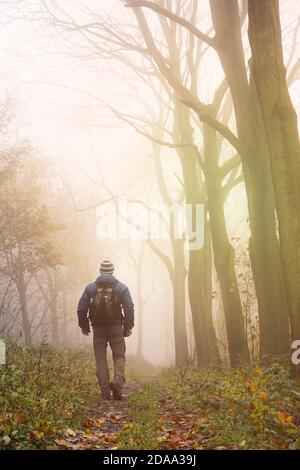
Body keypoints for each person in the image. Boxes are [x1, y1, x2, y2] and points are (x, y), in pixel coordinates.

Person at [77, 260, 134, 400]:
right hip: (116, 327)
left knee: (100, 358)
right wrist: (128, 326)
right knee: (119, 355)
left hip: (98, 328)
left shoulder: (91, 288)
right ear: (113, 271)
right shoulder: (121, 288)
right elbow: (129, 307)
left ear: (100, 271)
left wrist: (84, 325)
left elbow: (81, 307)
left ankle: (105, 391)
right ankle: (118, 382)